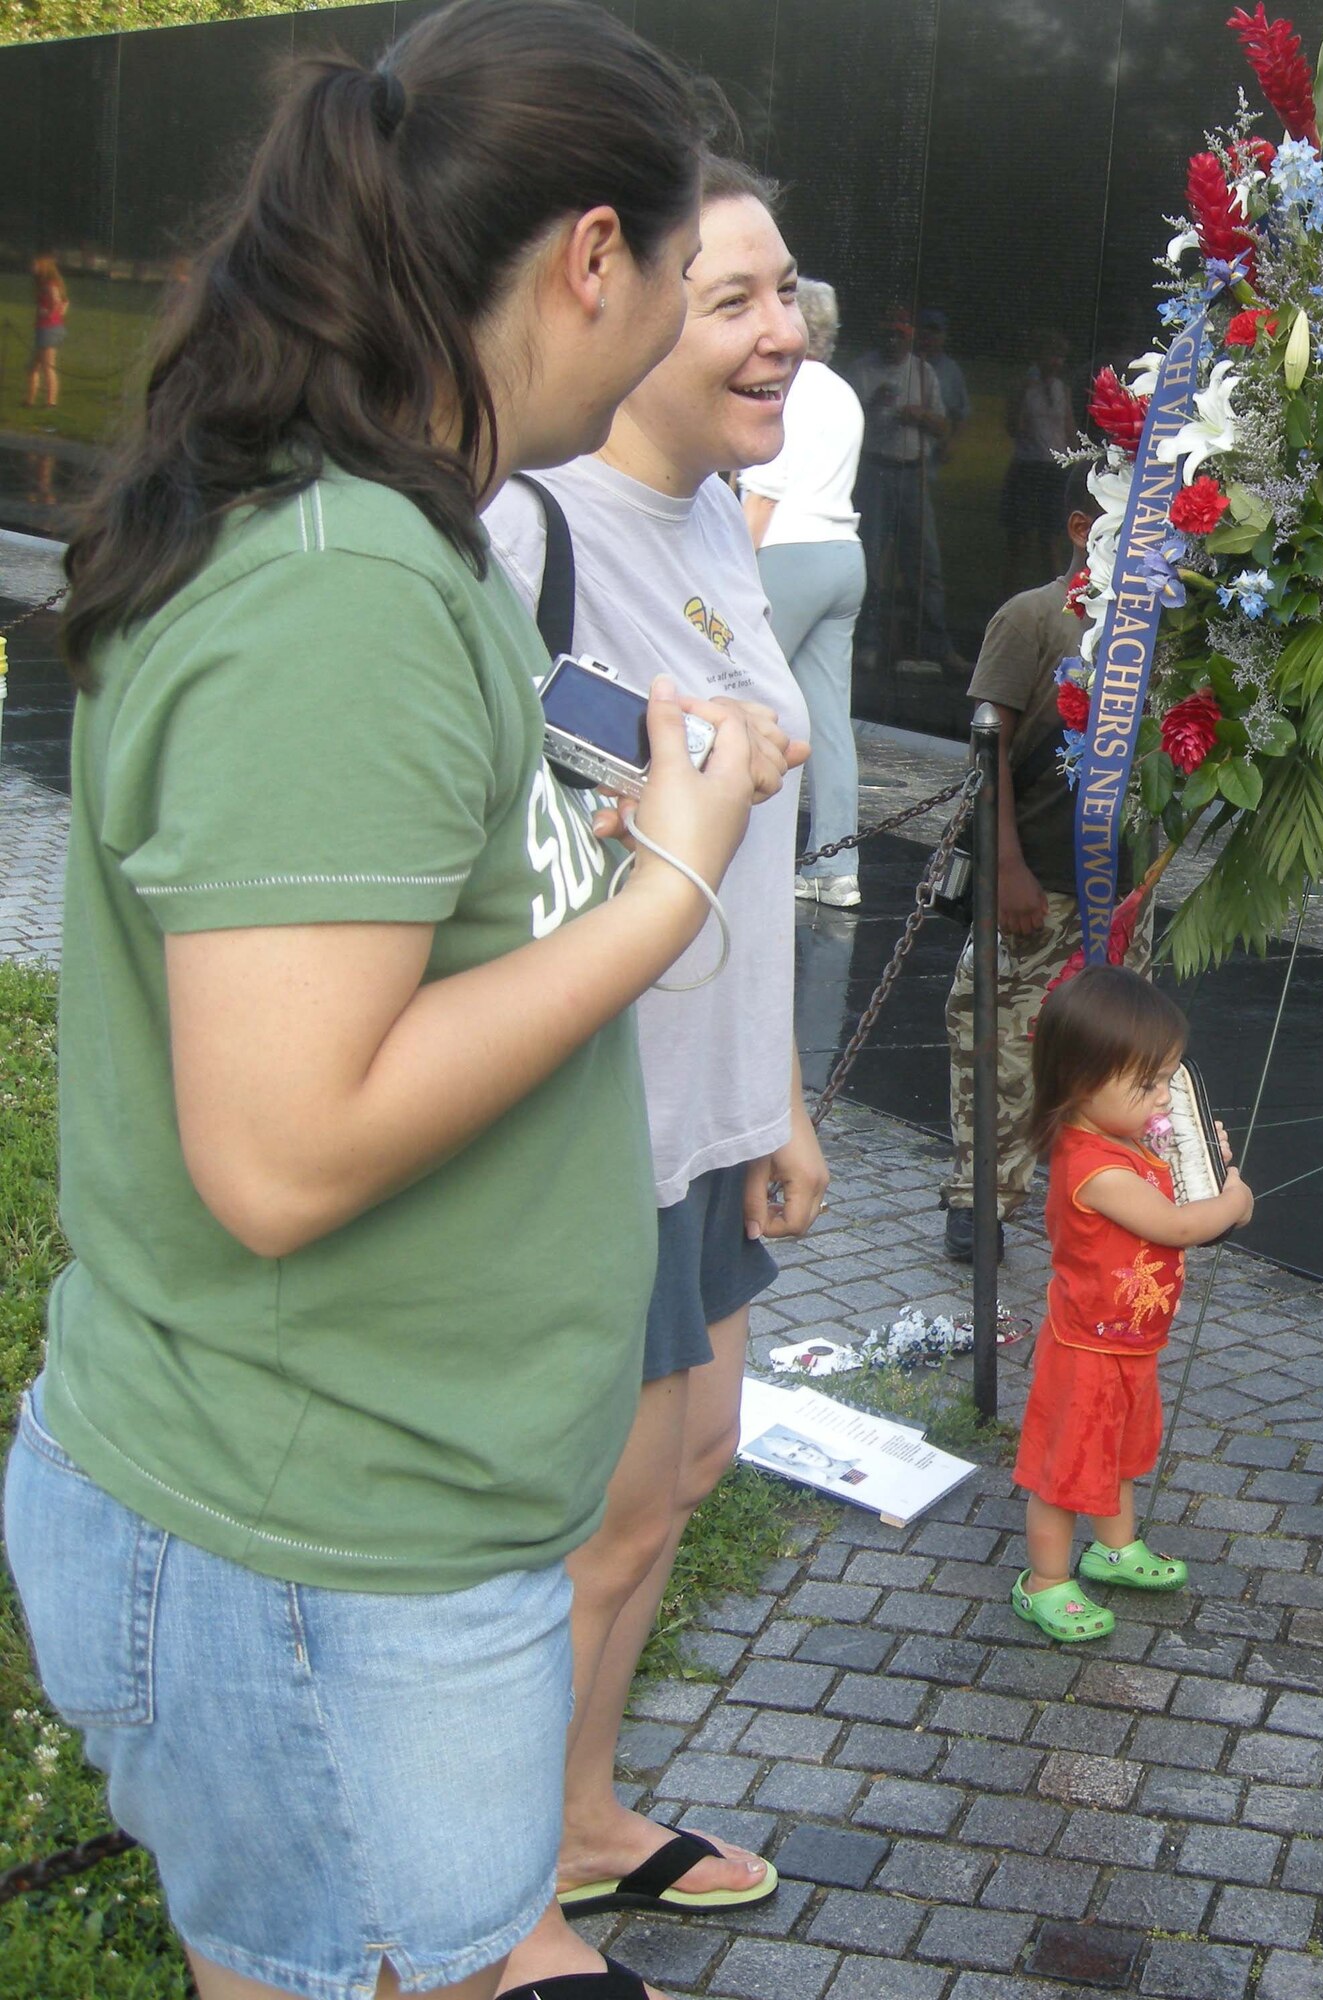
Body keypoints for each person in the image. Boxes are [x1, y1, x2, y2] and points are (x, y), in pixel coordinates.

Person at [1, 10, 795, 2000]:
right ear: (592, 258)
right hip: (318, 1549)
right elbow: (284, 1152)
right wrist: (669, 883)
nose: (697, 328)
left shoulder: (388, 529)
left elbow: (392, 928)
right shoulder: (340, 582)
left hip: (371, 1536)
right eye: (688, 277)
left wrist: (583, 838)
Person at [484, 159, 828, 1954]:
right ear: (617, 307)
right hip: (588, 1127)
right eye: (732, 301)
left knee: (686, 1474)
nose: (783, 334)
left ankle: (583, 1813)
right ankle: (489, 1905)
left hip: (707, 1117)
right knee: (593, 1529)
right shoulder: (525, 531)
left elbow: (742, 866)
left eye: (790, 294)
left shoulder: (709, 521)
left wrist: (776, 1101)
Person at [1012, 966, 1253, 1642]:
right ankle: (1044, 1582)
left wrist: (1206, 1160)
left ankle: (1114, 1549)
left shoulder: (1122, 1136)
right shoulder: (1094, 1167)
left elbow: (1172, 1175)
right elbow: (1175, 1225)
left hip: (1129, 1341)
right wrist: (1233, 1200)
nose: (1162, 1099)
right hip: (1086, 1350)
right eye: (1147, 1085)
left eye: (1166, 1080)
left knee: (1119, 1451)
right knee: (1067, 1470)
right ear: (1081, 1081)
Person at [942, 461, 1093, 1263]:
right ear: (1081, 528)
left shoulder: (1163, 632)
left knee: (1101, 1052)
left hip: (1113, 889)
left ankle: (1093, 1200)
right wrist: (1005, 867)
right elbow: (988, 745)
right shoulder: (1033, 617)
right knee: (997, 1040)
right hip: (1036, 875)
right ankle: (981, 1197)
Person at [739, 277, 867, 909]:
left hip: (787, 552)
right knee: (830, 721)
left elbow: (764, 492)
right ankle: (835, 869)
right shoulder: (843, 391)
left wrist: (731, 569)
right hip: (844, 554)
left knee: (742, 695)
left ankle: (734, 859)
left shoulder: (782, 389)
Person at [850, 306, 952, 672]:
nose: (893, 341)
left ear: (910, 337)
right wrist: (870, 405)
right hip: (875, 470)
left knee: (924, 563)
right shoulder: (862, 370)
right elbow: (845, 425)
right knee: (870, 561)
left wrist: (921, 416)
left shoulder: (922, 372)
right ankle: (867, 644)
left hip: (913, 472)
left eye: (900, 334)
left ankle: (933, 647)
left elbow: (943, 427)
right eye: (888, 334)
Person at [1001, 329, 1075, 592]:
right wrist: (1024, 396)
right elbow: (1013, 427)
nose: (1055, 362)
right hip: (1027, 467)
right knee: (1019, 540)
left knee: (1051, 539)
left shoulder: (1062, 389)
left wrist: (1076, 461)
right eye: (1051, 355)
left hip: (1054, 470)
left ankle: (1055, 600)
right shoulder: (1022, 387)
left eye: (1060, 357)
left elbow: (1069, 428)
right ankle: (1009, 597)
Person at [915, 306, 969, 469]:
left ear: (944, 335)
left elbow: (961, 414)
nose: (927, 334)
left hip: (931, 455)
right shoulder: (902, 362)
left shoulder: (951, 370)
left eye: (934, 330)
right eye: (923, 328)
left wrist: (952, 443)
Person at [23, 253, 67, 409]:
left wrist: (48, 313)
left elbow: (58, 302)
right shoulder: (43, 283)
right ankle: (30, 400)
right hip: (44, 329)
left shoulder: (50, 284)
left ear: (43, 267)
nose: (32, 267)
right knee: (32, 367)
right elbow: (65, 302)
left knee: (48, 367)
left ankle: (51, 402)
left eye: (35, 265)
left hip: (49, 329)